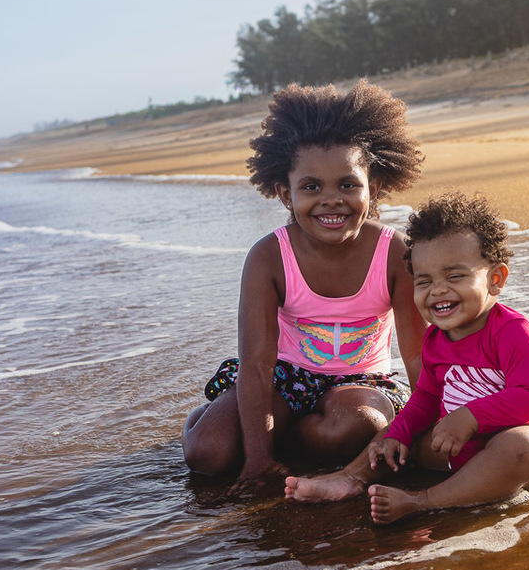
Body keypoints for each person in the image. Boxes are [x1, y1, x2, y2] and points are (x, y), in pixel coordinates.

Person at [182, 80, 426, 491]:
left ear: (375, 187)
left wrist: (431, 426)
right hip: (282, 376)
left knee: (349, 432)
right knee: (210, 453)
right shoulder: (269, 256)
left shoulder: (393, 251)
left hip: (361, 382)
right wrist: (257, 459)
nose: (331, 199)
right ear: (284, 194)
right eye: (311, 187)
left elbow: (418, 356)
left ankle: (288, 431)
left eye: (348, 184)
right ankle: (216, 421)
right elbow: (257, 364)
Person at [285, 191, 529, 523]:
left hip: (515, 449)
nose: (438, 290)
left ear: (495, 279)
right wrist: (399, 435)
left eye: (455, 276)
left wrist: (470, 417)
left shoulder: (515, 332)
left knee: (526, 447)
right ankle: (349, 479)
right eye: (424, 281)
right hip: (457, 446)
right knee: (393, 438)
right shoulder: (435, 339)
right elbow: (427, 397)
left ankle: (424, 501)